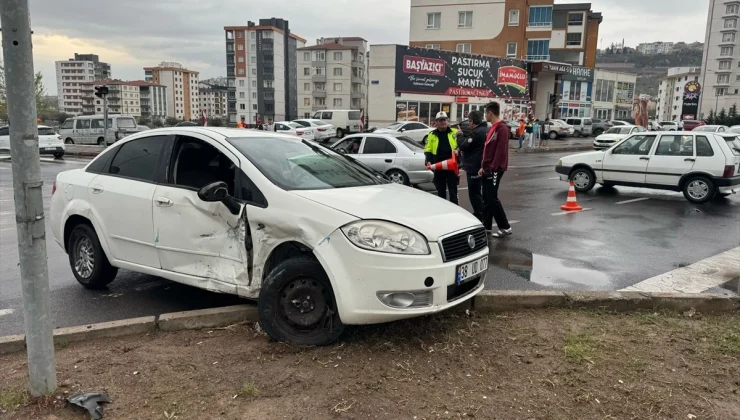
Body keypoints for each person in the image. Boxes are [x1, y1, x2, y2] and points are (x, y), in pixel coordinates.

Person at [480, 101, 512, 238]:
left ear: (490, 113)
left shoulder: (502, 129)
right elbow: (488, 150)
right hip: (488, 168)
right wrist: (483, 167)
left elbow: (500, 152)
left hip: (495, 169)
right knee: (486, 197)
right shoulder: (493, 128)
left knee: (492, 198)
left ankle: (505, 227)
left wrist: (491, 168)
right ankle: (486, 226)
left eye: (485, 113)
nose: (485, 116)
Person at [457, 110, 487, 220]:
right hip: (482, 165)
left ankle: (479, 214)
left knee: (474, 193)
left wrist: (459, 135)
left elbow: (464, 145)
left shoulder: (476, 133)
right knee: (482, 192)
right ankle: (483, 214)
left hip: (474, 166)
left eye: (469, 121)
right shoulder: (486, 129)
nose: (469, 124)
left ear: (472, 121)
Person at [424, 111, 459, 204]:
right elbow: (428, 149)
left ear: (447, 121)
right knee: (441, 192)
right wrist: (428, 161)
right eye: (440, 120)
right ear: (436, 122)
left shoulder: (455, 132)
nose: (443, 122)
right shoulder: (432, 134)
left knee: (453, 192)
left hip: (452, 167)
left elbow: (462, 145)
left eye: (444, 120)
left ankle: (455, 211)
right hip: (438, 167)